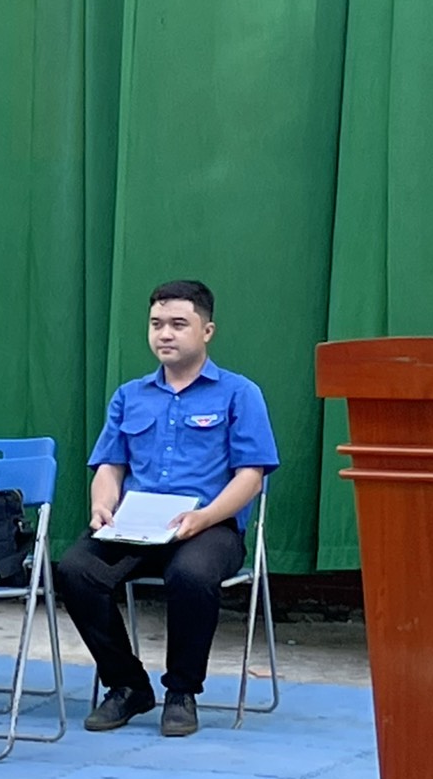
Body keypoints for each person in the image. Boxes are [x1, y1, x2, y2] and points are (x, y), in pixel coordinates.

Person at [56, 280, 279, 739]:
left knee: (191, 574)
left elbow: (251, 477)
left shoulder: (239, 393)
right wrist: (102, 505)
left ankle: (181, 692)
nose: (165, 334)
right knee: (76, 570)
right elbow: (110, 465)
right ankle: (127, 685)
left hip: (208, 527)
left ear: (207, 331)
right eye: (157, 324)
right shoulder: (130, 395)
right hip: (136, 525)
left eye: (179, 324)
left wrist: (205, 517)